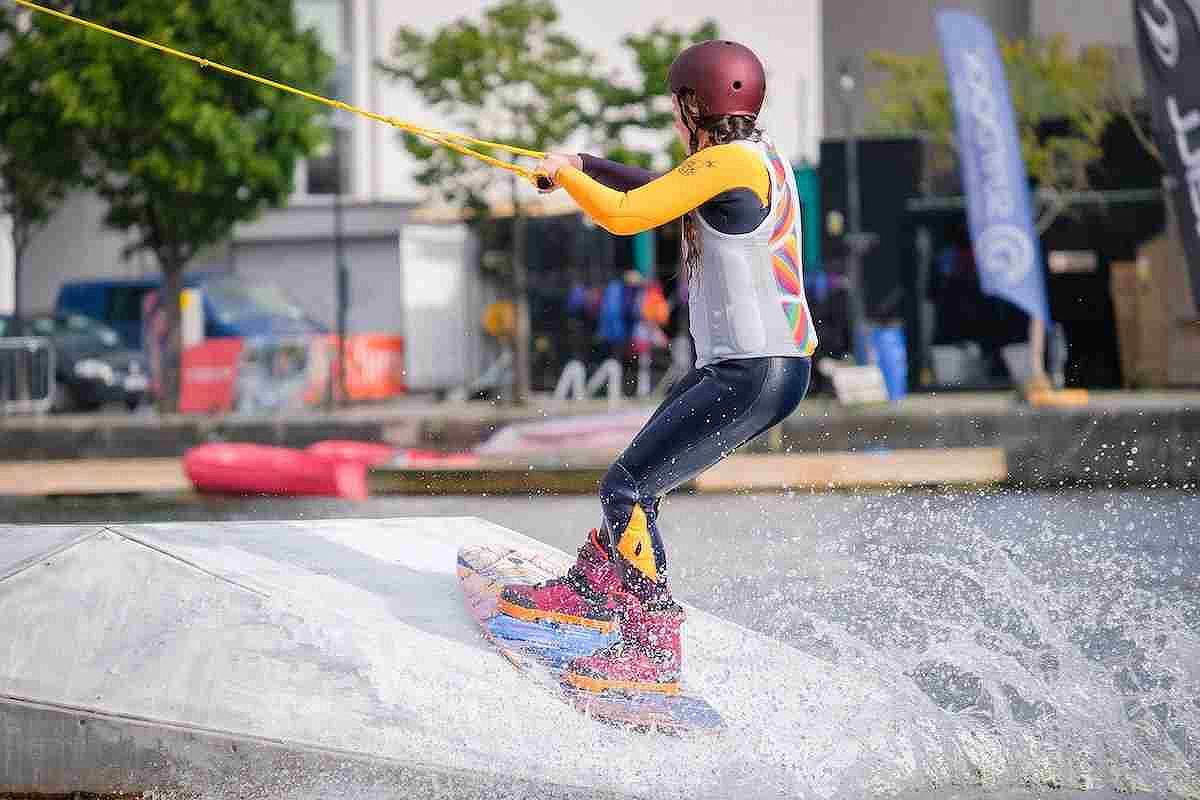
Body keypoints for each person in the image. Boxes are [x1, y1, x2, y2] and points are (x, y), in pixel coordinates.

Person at [497, 40, 817, 695]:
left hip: (752, 371)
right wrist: (581, 163)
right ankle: (598, 586)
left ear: (695, 104)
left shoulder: (727, 163)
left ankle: (651, 647)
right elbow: (659, 191)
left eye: (679, 107)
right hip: (754, 367)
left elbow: (623, 215)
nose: (676, 120)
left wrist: (568, 181)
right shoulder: (755, 161)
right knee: (641, 478)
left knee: (628, 489)